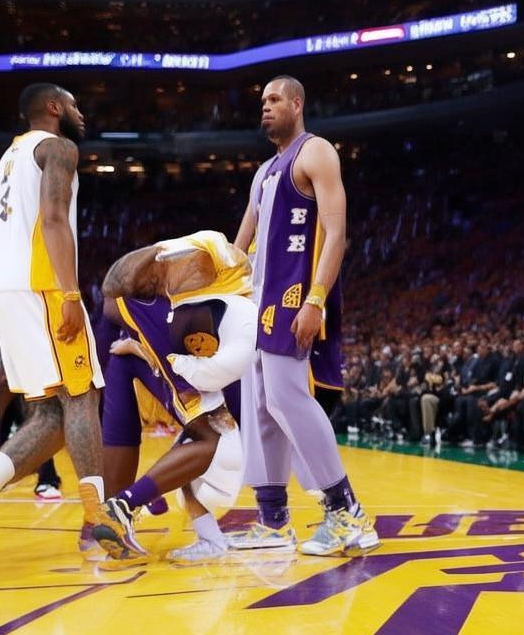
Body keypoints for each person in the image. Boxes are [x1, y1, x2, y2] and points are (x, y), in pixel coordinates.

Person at [0, 83, 134, 574]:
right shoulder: (58, 147)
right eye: (74, 104)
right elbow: (53, 219)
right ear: (53, 107)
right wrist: (69, 294)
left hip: (4, 291)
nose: (80, 113)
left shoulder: (7, 159)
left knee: (49, 413)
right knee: (83, 394)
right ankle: (98, 516)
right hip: (41, 286)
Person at [231, 75, 378, 557]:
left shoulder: (315, 152)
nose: (266, 106)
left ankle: (347, 513)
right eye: (262, 101)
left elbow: (336, 233)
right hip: (256, 302)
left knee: (288, 397)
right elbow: (238, 251)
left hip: (294, 296)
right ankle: (273, 520)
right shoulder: (263, 173)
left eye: (274, 99)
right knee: (259, 407)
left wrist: (315, 299)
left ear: (297, 103)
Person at [96, 231, 254, 564]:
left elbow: (113, 291)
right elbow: (114, 287)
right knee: (214, 441)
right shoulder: (188, 277)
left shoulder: (194, 269)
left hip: (197, 353)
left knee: (195, 444)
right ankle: (123, 507)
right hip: (207, 365)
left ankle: (121, 507)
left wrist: (139, 347)